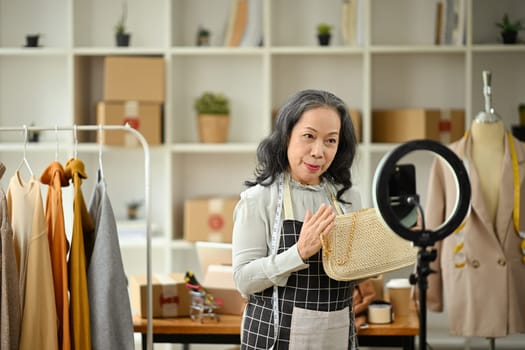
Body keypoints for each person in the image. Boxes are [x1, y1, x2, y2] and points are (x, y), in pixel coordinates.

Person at [232, 89, 362, 349]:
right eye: (308, 136)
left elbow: (352, 274)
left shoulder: (348, 198)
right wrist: (299, 253)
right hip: (273, 338)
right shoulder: (258, 200)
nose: (318, 151)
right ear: (286, 136)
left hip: (335, 337)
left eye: (330, 141)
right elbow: (243, 280)